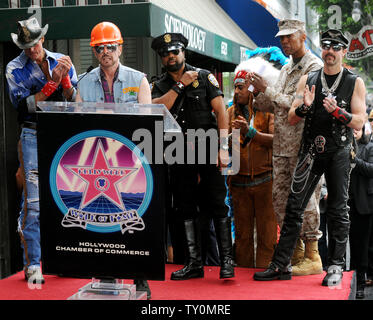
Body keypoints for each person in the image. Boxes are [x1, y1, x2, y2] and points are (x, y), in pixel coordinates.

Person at [254, 29, 367, 287]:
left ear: (343, 51)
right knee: (294, 205)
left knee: (338, 208)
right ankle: (281, 263)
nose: (330, 50)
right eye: (326, 45)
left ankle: (336, 265)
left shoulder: (353, 81)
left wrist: (340, 113)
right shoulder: (309, 79)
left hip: (339, 150)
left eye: (335, 46)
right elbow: (293, 116)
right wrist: (306, 106)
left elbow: (359, 120)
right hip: (311, 150)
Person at [76, 21, 152, 299]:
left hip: (131, 163)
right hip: (97, 164)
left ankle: (140, 277)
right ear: (94, 51)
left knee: (133, 220)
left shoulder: (138, 79)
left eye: (110, 46)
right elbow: (78, 126)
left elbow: (148, 124)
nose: (105, 52)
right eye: (99, 48)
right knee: (103, 220)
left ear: (121, 48)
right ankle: (107, 274)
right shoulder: (83, 83)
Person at [150, 33, 234, 280]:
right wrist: (179, 85)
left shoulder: (205, 76)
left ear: (184, 52)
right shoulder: (159, 84)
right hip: (177, 150)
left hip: (208, 146)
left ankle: (226, 262)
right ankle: (194, 263)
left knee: (218, 203)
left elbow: (221, 113)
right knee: (185, 206)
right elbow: (157, 107)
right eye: (165, 54)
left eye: (175, 52)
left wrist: (224, 147)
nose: (170, 57)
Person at [248, 19, 324, 276]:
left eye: (289, 37)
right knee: (280, 201)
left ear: (303, 37)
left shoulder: (314, 67)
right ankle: (297, 252)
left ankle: (313, 255)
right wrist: (256, 94)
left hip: (304, 146)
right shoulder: (287, 68)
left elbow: (297, 106)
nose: (283, 41)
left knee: (307, 201)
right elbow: (274, 105)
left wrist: (267, 90)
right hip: (281, 146)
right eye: (281, 37)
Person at [5, 17, 78, 284]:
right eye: (26, 45)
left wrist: (66, 83)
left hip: (61, 133)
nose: (32, 49)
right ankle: (33, 262)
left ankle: (62, 258)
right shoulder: (14, 67)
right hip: (33, 132)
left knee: (67, 197)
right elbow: (23, 106)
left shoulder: (61, 60)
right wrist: (52, 84)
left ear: (42, 40)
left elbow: (75, 103)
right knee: (33, 203)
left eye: (34, 43)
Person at [227, 59, 277, 268]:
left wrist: (251, 132)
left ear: (251, 89)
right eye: (235, 88)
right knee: (242, 235)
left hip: (265, 180)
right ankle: (244, 280)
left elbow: (277, 141)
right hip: (238, 182)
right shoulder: (229, 113)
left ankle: (265, 271)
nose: (236, 92)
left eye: (240, 88)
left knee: (267, 234)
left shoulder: (266, 110)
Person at [348, 124, 373, 299]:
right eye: (352, 129)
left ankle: (361, 284)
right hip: (345, 204)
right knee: (348, 244)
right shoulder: (343, 148)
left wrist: (354, 159)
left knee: (363, 246)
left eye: (358, 129)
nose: (354, 131)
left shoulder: (369, 147)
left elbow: (371, 169)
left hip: (364, 205)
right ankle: (349, 279)